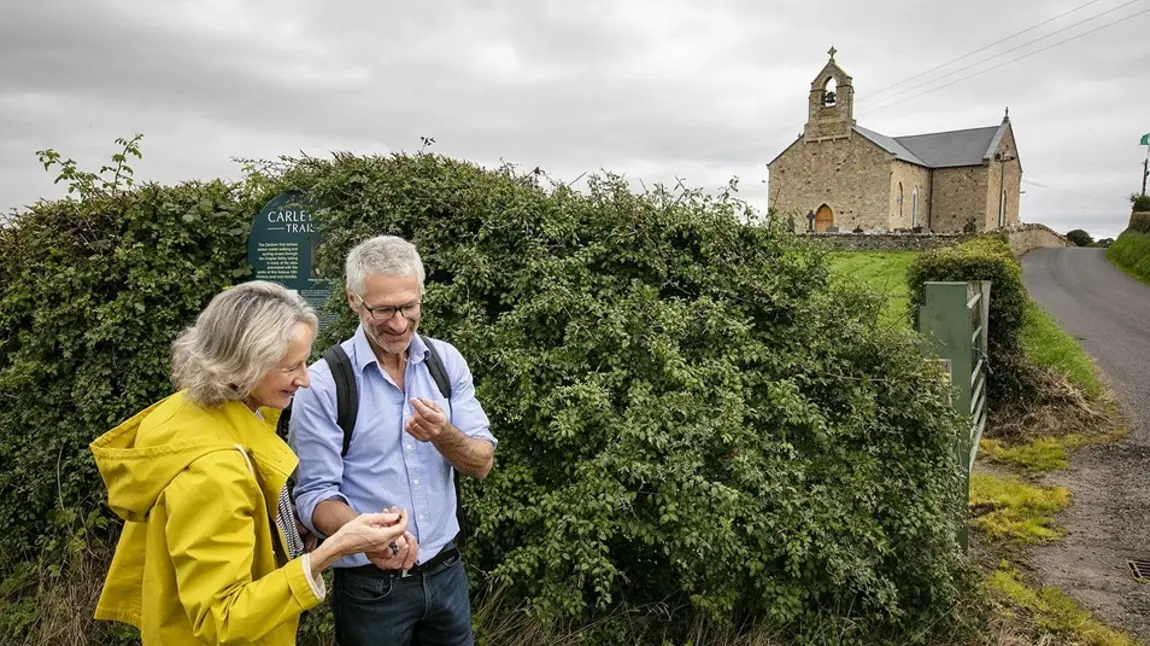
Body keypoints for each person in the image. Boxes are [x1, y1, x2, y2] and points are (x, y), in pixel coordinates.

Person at [89, 280, 412, 645]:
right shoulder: (214, 472)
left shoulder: (193, 413)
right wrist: (332, 550)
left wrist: (281, 531)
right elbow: (221, 619)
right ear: (243, 364)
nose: (304, 380)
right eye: (292, 366)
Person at [289, 235, 497, 646]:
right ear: (353, 301)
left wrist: (443, 435)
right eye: (383, 310)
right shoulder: (324, 384)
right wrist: (368, 536)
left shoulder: (445, 362)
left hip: (446, 571)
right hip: (370, 588)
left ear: (421, 296)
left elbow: (481, 462)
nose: (399, 323)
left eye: (408, 307)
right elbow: (314, 497)